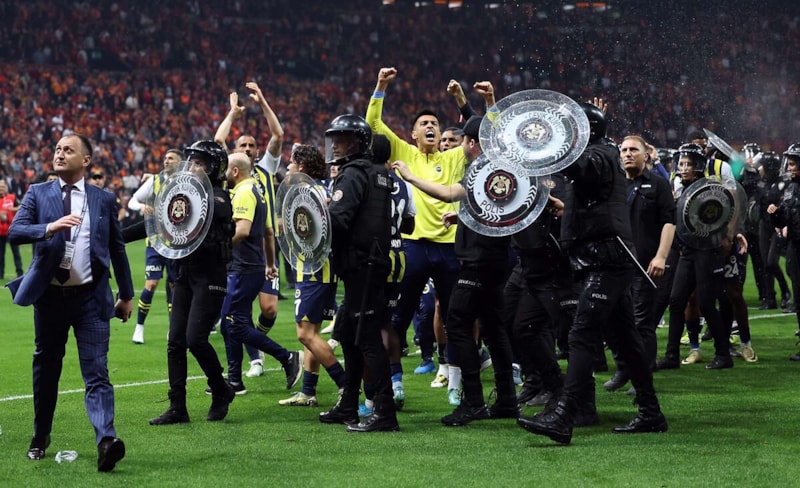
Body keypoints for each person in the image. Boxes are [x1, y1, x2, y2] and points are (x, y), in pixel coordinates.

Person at [518, 100, 667, 445]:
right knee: (626, 340)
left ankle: (564, 414)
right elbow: (591, 193)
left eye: (571, 129)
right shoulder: (602, 153)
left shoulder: (600, 154)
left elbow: (582, 169)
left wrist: (550, 143)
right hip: (604, 257)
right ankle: (651, 412)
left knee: (582, 334)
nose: (567, 135)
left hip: (607, 260)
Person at [7, 133, 134, 471]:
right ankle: (40, 435)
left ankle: (106, 441)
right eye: (58, 149)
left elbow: (117, 248)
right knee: (47, 369)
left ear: (86, 160)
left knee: (97, 371)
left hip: (90, 298)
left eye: (68, 150)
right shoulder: (38, 192)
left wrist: (126, 295)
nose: (60, 154)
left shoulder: (103, 199)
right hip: (49, 299)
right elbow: (16, 232)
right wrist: (50, 227)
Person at [394, 95, 521, 427]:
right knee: (493, 327)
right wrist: (461, 217)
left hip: (478, 259)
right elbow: (488, 209)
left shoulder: (483, 168)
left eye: (464, 140)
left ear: (472, 143)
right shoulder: (505, 166)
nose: (461, 146)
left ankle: (473, 401)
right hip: (499, 257)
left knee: (459, 323)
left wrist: (411, 177)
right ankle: (507, 400)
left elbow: (450, 193)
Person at [147, 140, 237, 426]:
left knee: (195, 339)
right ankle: (177, 407)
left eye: (199, 163)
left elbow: (215, 211)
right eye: (191, 162)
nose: (191, 167)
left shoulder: (219, 197)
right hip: (185, 274)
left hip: (210, 276)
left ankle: (221, 389)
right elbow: (159, 221)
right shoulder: (185, 194)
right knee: (175, 341)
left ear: (214, 169)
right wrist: (116, 235)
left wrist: (177, 195)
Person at [318, 114, 397, 432]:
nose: (335, 145)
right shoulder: (378, 173)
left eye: (343, 139)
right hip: (371, 263)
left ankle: (385, 412)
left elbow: (338, 221)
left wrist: (318, 213)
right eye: (334, 139)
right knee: (349, 336)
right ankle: (349, 405)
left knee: (366, 338)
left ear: (358, 143)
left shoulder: (352, 174)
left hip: (361, 265)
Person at [214, 82, 286, 378]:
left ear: (257, 150)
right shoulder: (232, 172)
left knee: (269, 309)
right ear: (236, 153)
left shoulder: (266, 169)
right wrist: (232, 113)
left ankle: (255, 343)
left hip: (263, 247)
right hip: (238, 250)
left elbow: (278, 135)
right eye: (242, 145)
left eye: (252, 145)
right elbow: (218, 140)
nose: (247, 148)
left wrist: (263, 102)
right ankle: (255, 356)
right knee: (236, 313)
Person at [215, 152, 302, 396]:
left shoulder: (244, 192)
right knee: (232, 323)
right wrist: (270, 264)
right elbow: (268, 232)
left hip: (242, 268)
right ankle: (234, 381)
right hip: (251, 266)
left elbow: (242, 230)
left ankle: (288, 357)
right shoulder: (258, 191)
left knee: (233, 324)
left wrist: (219, 250)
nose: (224, 174)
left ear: (235, 171)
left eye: (226, 169)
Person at [655, 143, 745, 371]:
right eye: (681, 164)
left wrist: (731, 234)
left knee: (705, 303)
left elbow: (723, 214)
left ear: (698, 166)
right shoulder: (679, 188)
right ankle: (672, 355)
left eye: (688, 164)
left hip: (708, 252)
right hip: (687, 252)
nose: (683, 168)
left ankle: (723, 354)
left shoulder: (710, 189)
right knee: (676, 301)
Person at [604, 135, 675, 392]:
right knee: (611, 321)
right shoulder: (613, 185)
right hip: (615, 265)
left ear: (646, 156)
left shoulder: (658, 184)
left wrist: (661, 256)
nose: (627, 154)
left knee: (641, 323)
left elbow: (669, 222)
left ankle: (641, 376)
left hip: (645, 266)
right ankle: (624, 367)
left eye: (633, 149)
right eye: (623, 150)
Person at [277, 144, 346, 407]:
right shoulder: (321, 189)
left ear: (302, 167)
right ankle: (308, 392)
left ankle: (345, 384)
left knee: (305, 334)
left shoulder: (306, 193)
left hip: (314, 270)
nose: (288, 167)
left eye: (291, 162)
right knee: (313, 332)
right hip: (322, 268)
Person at [126, 148, 182, 344]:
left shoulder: (186, 183)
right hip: (155, 242)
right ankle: (139, 327)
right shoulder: (155, 181)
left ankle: (172, 329)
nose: (166, 161)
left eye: (171, 158)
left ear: (180, 162)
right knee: (151, 283)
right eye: (165, 158)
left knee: (174, 286)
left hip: (175, 244)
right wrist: (141, 206)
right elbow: (132, 201)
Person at [767, 144, 800, 360]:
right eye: (789, 163)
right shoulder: (790, 188)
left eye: (793, 163)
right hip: (795, 246)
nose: (789, 167)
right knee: (799, 295)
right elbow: (784, 221)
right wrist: (776, 215)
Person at [0, 180, 24, 279]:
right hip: (0, 232)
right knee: (0, 254)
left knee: (16, 253)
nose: (1, 189)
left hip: (12, 230)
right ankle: (0, 274)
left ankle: (20, 273)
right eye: (0, 187)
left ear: (6, 187)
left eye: (2, 187)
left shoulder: (12, 197)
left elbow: (22, 206)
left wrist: (12, 209)